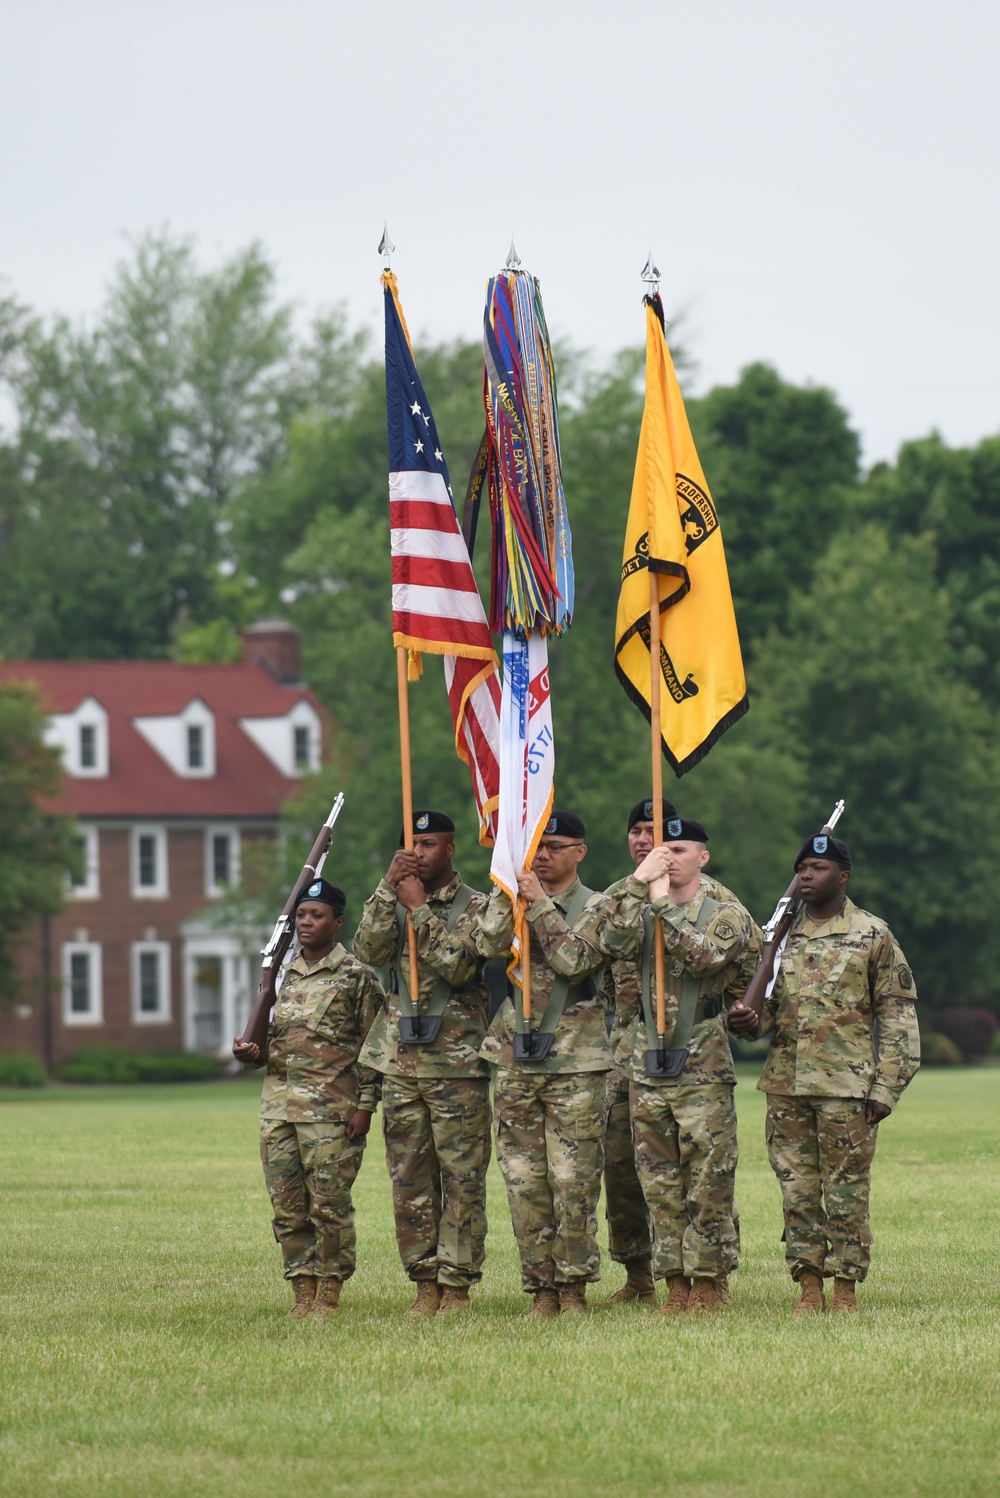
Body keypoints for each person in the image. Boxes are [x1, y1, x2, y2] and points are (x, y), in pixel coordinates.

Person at [729, 833, 920, 1314]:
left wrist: (886, 1089)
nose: (807, 876)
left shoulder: (872, 934)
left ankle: (846, 1289)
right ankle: (808, 1284)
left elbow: (898, 1018)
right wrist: (748, 1022)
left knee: (846, 1190)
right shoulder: (779, 937)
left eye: (817, 867)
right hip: (787, 1086)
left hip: (847, 1088)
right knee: (796, 1190)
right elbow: (766, 1013)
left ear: (843, 876)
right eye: (802, 869)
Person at [599, 817, 755, 1314]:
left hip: (701, 1057)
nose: (669, 857)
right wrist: (638, 886)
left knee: (708, 1176)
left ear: (703, 857)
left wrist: (663, 904)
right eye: (663, 849)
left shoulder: (724, 911)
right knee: (658, 1180)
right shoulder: (640, 903)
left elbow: (706, 958)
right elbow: (607, 942)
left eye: (680, 850)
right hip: (645, 1058)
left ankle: (709, 1279)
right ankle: (674, 1281)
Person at [465, 811, 611, 1317]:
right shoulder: (510, 898)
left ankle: (573, 1289)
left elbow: (576, 960)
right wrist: (509, 898)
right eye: (536, 846)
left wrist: (540, 903)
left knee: (572, 1179)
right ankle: (541, 1289)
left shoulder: (599, 905)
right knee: (524, 1180)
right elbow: (480, 947)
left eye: (555, 845)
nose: (543, 854)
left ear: (580, 852)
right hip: (514, 1055)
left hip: (576, 1060)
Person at [353, 810, 492, 1317]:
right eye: (411, 845)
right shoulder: (393, 894)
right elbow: (367, 950)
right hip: (401, 1062)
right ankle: (423, 1280)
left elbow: (460, 966)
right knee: (408, 1179)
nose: (419, 853)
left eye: (429, 844)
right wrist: (388, 888)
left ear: (451, 850)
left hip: (456, 1063)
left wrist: (421, 911)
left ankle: (456, 1284)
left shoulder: (477, 905)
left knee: (461, 1178)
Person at [233, 878, 382, 1318]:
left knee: (329, 1205)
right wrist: (249, 1052)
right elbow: (267, 1046)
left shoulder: (356, 977)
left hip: (330, 1112)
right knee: (287, 1205)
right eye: (301, 915)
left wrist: (365, 1107)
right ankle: (302, 1289)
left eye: (316, 915)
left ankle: (330, 1291)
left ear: (337, 922)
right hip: (278, 1109)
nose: (306, 923)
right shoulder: (280, 975)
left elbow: (373, 1047)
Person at [600, 798, 678, 1306]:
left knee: (684, 1168)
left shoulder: (701, 895)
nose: (643, 839)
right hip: (624, 1054)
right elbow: (603, 945)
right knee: (621, 1167)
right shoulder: (615, 896)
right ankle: (637, 1276)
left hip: (683, 1054)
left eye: (653, 830)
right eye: (636, 830)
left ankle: (696, 1274)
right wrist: (636, 890)